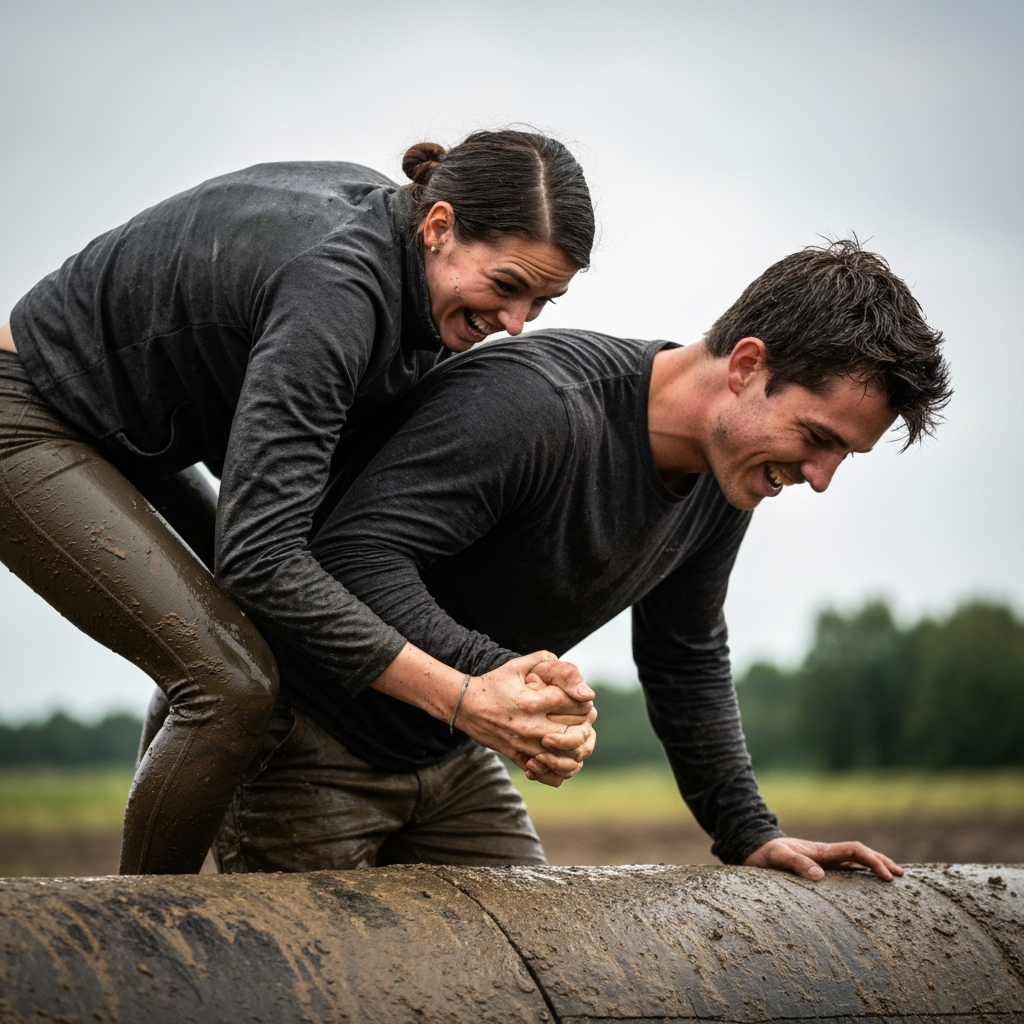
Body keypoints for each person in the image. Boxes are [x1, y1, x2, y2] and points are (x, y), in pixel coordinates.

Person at [213, 239, 951, 879]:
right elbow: (352, 554)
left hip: (448, 755)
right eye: (818, 438)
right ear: (747, 364)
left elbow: (684, 653)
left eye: (843, 457)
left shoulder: (726, 480)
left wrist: (748, 830)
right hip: (306, 737)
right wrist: (492, 681)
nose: (820, 477)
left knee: (530, 977)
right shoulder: (534, 408)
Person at [0, 130, 598, 875]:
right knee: (229, 683)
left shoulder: (406, 266)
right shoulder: (338, 289)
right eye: (506, 285)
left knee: (269, 632)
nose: (516, 323)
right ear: (438, 226)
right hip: (30, 414)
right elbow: (261, 556)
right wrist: (462, 698)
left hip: (144, 439)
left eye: (543, 301)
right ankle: (142, 946)